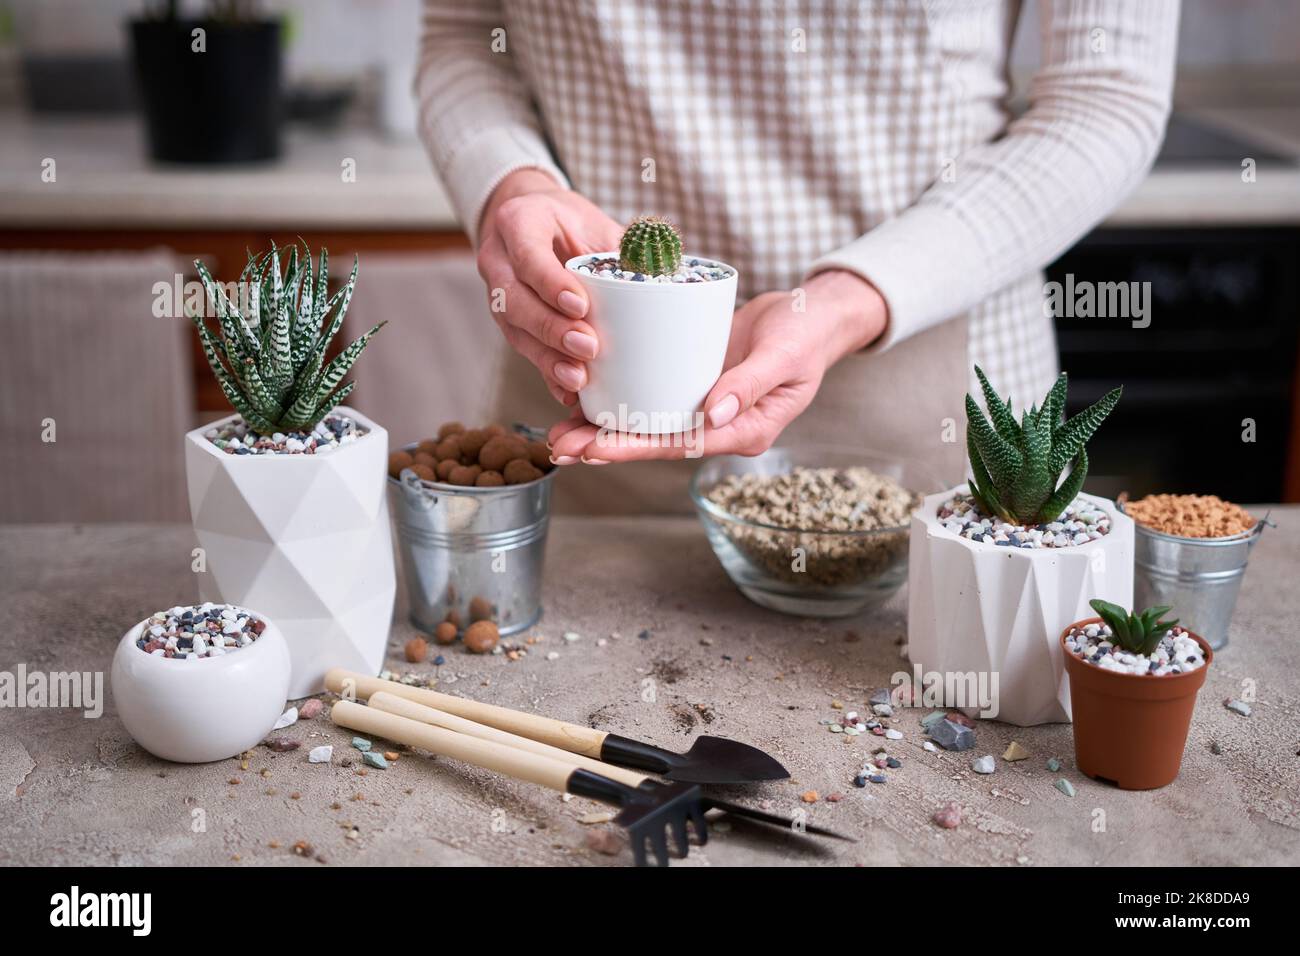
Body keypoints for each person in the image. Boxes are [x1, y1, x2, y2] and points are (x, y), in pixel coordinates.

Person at [415, 1, 1178, 511]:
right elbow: (464, 34)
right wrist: (510, 186)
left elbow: (1107, 94)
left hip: (926, 410)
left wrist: (847, 301)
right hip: (588, 402)